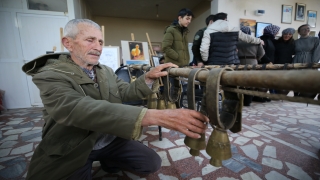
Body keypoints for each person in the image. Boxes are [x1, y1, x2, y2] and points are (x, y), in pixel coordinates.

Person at [22, 19, 209, 180]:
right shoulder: (50, 74)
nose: (98, 47)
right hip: (74, 145)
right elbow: (75, 108)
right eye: (90, 40)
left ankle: (108, 159)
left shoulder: (105, 72)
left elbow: (126, 92)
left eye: (101, 42)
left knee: (151, 163)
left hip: (108, 138)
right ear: (68, 43)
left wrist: (148, 78)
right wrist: (155, 116)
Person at [200, 12, 264, 65]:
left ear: (214, 20)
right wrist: (259, 41)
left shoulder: (208, 31)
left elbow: (204, 49)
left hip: (214, 63)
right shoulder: (235, 30)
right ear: (225, 19)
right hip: (232, 63)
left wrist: (205, 59)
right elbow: (247, 38)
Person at [237, 26, 265, 106]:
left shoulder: (237, 41)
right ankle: (248, 101)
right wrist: (256, 58)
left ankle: (241, 100)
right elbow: (262, 53)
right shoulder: (255, 41)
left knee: (241, 81)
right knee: (251, 82)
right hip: (253, 62)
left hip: (240, 62)